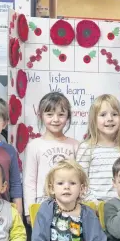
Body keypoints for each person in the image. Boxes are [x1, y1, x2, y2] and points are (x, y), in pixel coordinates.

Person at [23, 92, 79, 222]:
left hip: (70, 203)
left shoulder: (75, 145)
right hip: (43, 204)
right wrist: (29, 210)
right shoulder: (34, 145)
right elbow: (29, 181)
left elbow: (80, 177)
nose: (55, 119)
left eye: (61, 115)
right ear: (41, 116)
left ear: (68, 117)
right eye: (49, 114)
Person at [76, 94, 120, 203]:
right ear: (94, 120)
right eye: (103, 115)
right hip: (94, 208)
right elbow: (80, 182)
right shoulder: (86, 148)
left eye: (115, 114)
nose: (110, 119)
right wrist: (96, 205)